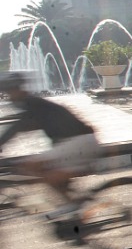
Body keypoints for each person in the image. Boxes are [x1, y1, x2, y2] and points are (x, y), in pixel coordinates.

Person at [0, 71, 101, 218]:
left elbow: (15, 128)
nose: (9, 96)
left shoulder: (32, 104)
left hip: (80, 141)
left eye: (9, 91)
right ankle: (74, 204)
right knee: (44, 169)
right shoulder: (32, 104)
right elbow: (19, 128)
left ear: (18, 89)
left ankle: (72, 205)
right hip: (78, 141)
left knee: (33, 164)